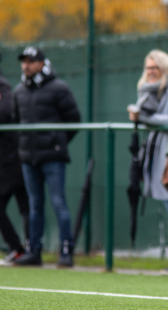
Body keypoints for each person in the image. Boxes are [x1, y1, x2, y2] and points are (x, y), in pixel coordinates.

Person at [12, 47, 81, 267]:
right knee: (35, 205)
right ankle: (35, 252)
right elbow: (16, 121)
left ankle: (66, 252)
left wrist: (57, 143)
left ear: (42, 63)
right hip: (28, 158)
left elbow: (74, 120)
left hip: (52, 157)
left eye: (31, 61)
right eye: (24, 61)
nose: (26, 65)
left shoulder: (59, 88)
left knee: (58, 202)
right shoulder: (19, 91)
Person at [127, 50, 168, 275]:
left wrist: (143, 117)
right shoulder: (147, 90)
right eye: (148, 68)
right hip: (157, 154)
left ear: (165, 68)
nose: (151, 72)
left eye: (155, 67)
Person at [0, 50, 30, 264]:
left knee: (27, 205)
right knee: (26, 205)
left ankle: (23, 248)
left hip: (11, 158)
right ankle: (20, 248)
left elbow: (5, 113)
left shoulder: (3, 86)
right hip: (6, 158)